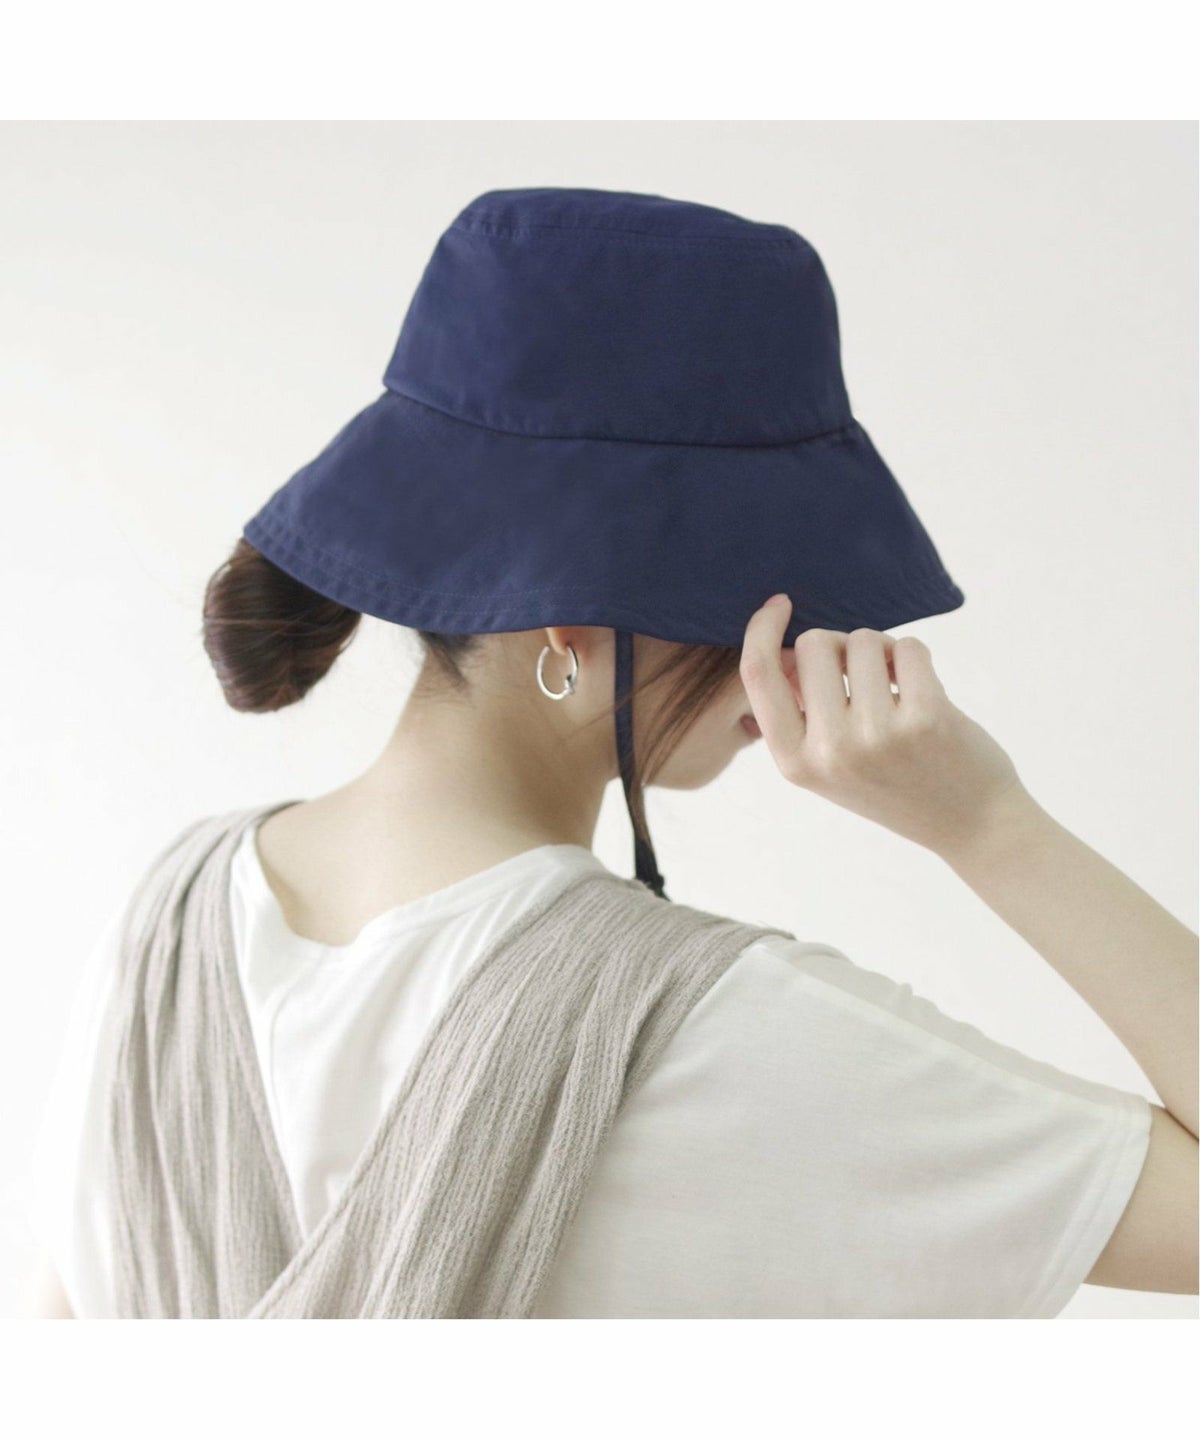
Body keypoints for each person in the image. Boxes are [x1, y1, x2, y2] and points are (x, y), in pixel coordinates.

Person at [22, 187, 1198, 1317]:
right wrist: (989, 824)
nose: (810, 642)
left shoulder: (161, 927)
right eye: (764, 586)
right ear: (570, 621)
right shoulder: (726, 1029)